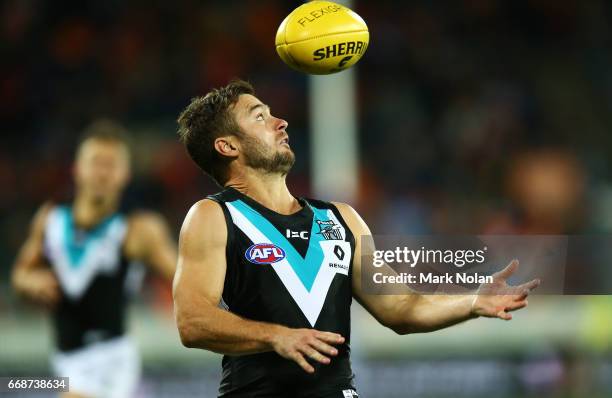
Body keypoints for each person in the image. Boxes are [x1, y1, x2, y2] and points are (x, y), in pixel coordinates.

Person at [173, 80, 540, 398]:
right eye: (259, 116)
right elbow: (192, 321)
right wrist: (275, 336)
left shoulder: (339, 218)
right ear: (227, 147)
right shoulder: (213, 217)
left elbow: (399, 308)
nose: (280, 122)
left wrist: (472, 302)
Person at [11, 120, 177, 398]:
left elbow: (186, 277)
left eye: (111, 164)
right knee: (12, 385)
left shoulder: (138, 229)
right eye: (96, 162)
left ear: (125, 174)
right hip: (63, 366)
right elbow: (20, 274)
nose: (102, 172)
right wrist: (30, 280)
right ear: (77, 168)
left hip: (111, 365)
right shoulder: (50, 219)